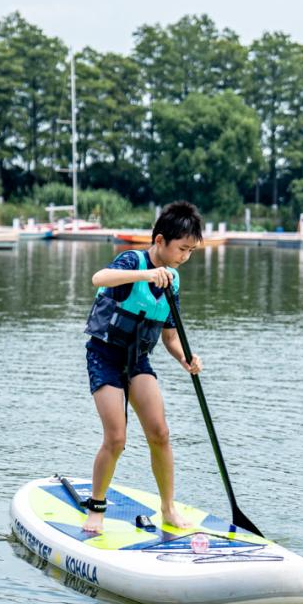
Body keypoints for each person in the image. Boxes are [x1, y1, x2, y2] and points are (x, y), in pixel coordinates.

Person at [83, 201, 203, 531]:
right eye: (182, 249)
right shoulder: (132, 262)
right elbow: (98, 277)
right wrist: (147, 274)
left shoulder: (172, 282)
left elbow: (170, 337)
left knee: (160, 433)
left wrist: (185, 359)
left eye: (191, 251)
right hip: (105, 355)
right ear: (161, 240)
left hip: (138, 360)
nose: (184, 257)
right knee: (117, 438)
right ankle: (96, 508)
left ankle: (167, 508)